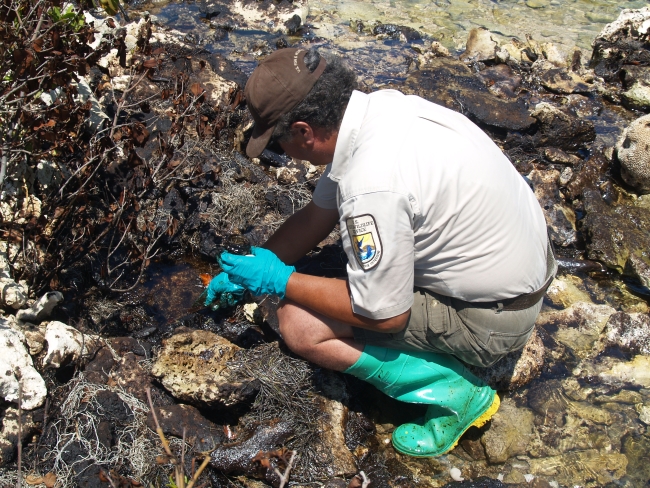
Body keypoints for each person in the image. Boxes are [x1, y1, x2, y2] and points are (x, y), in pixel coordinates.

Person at [206, 47, 556, 457]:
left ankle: (455, 394)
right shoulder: (379, 111)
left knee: (299, 323)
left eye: (278, 142)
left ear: (303, 131)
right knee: (331, 273)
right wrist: (251, 266)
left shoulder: (371, 183)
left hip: (495, 318)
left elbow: (386, 315)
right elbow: (316, 217)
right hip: (524, 272)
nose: (281, 151)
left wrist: (279, 280)